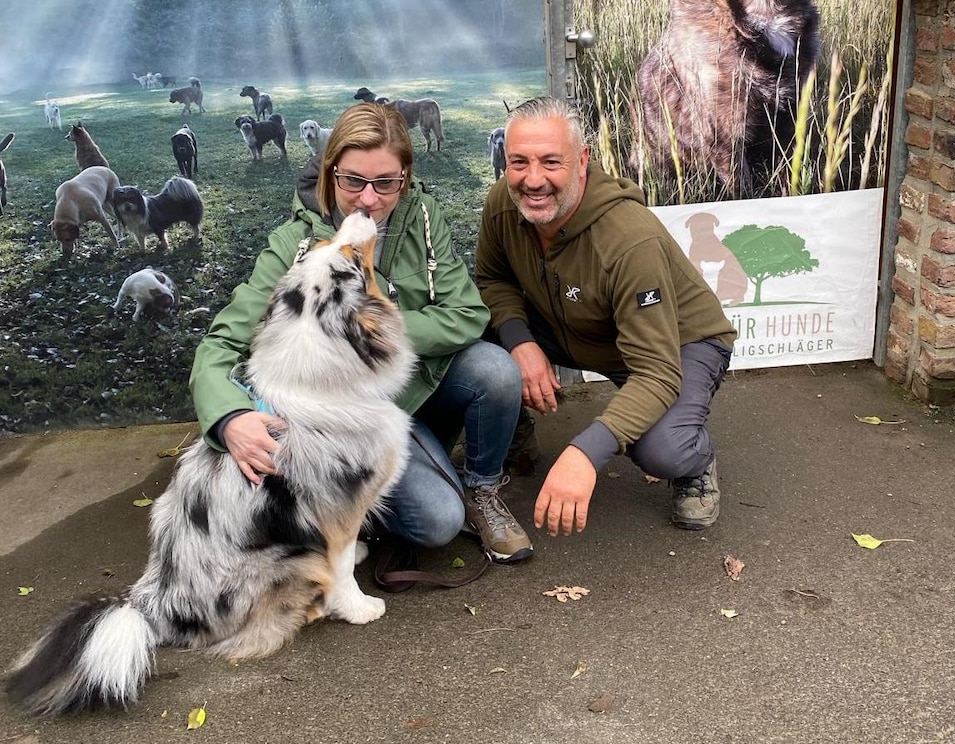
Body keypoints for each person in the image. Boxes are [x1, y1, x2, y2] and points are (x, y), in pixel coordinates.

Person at [189, 102, 533, 564]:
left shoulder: (424, 220)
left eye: (385, 182)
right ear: (331, 174)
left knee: (495, 369)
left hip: (414, 386)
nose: (368, 199)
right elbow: (221, 344)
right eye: (353, 180)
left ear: (404, 178)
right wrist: (228, 417)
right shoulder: (295, 246)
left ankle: (482, 489)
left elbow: (468, 314)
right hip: (348, 419)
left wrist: (367, 327)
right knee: (437, 522)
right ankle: (355, 503)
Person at [475, 96, 738, 538]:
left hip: (675, 341)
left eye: (550, 162)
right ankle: (509, 433)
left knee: (662, 451)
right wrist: (520, 342)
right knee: (475, 328)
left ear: (582, 161)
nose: (532, 179)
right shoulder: (503, 202)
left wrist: (585, 452)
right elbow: (492, 277)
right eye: (518, 162)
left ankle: (696, 458)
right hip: (575, 324)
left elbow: (656, 371)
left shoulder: (630, 239)